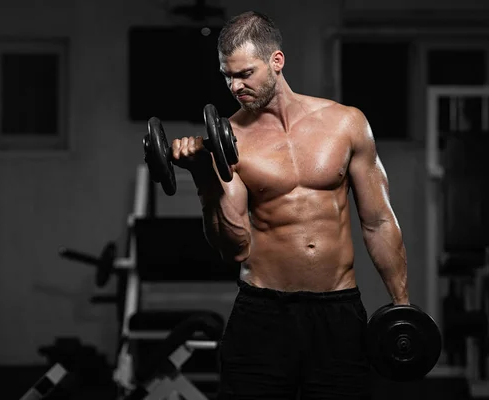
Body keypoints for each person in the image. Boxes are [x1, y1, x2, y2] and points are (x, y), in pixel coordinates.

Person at [171, 11, 409, 400]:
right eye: (227, 76)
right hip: (263, 312)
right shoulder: (228, 140)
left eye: (245, 73)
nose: (235, 86)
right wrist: (203, 179)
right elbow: (235, 248)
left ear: (276, 61)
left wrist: (402, 306)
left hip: (338, 312)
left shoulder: (346, 124)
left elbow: (378, 221)